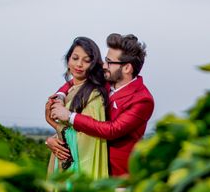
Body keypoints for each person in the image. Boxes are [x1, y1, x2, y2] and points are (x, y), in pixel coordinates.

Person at [48, 33, 154, 177]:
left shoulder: (142, 100)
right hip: (88, 165)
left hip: (117, 176)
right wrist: (60, 97)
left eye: (109, 62)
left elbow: (112, 130)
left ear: (127, 68)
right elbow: (74, 81)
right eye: (105, 60)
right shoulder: (106, 78)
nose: (103, 66)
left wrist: (70, 116)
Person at [45, 36, 109, 179]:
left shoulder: (94, 94)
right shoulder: (70, 90)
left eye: (86, 61)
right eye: (75, 58)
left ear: (93, 65)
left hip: (77, 167)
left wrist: (53, 124)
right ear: (68, 60)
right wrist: (51, 140)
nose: (79, 64)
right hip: (61, 158)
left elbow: (87, 137)